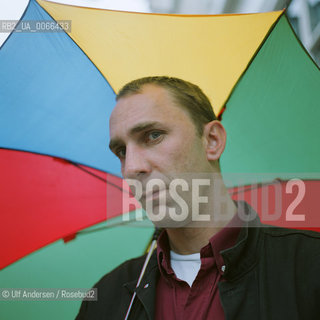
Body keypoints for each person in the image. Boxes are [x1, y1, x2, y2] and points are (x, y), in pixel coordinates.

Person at [76, 76, 320, 320]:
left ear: (212, 141)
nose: (131, 168)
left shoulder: (309, 267)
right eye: (121, 151)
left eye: (153, 135)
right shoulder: (106, 299)